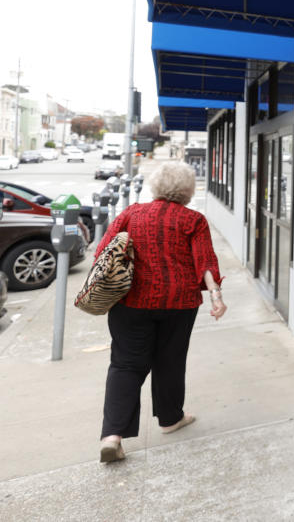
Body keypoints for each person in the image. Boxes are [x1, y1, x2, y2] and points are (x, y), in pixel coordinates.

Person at [97, 161, 227, 463]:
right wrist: (216, 297)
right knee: (170, 360)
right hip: (178, 304)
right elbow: (205, 260)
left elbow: (103, 251)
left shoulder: (130, 213)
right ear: (188, 190)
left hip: (130, 302)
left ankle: (112, 436)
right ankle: (170, 419)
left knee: (125, 364)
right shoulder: (193, 220)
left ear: (155, 186)